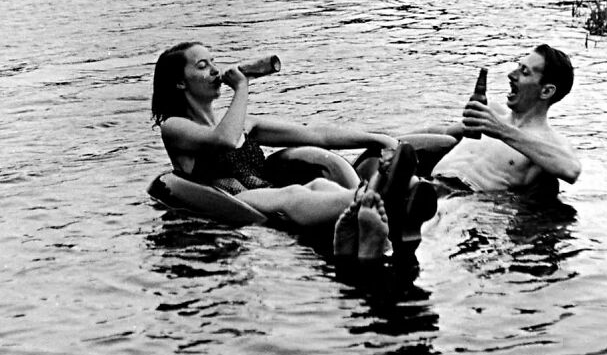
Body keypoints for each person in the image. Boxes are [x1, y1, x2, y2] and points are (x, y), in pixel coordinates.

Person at [151, 41, 423, 230]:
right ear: (180, 82)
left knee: (319, 187)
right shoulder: (174, 126)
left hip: (268, 194)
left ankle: (381, 201)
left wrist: (378, 139)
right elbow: (224, 140)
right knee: (291, 193)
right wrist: (242, 88)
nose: (213, 70)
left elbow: (316, 135)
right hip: (233, 202)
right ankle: (380, 196)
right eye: (201, 65)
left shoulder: (245, 123)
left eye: (213, 62)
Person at [428, 44, 581, 195]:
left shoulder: (548, 142)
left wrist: (501, 130)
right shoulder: (491, 113)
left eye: (524, 72)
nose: (511, 75)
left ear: (546, 91)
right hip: (431, 184)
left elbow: (571, 170)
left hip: (465, 200)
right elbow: (443, 132)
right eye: (518, 66)